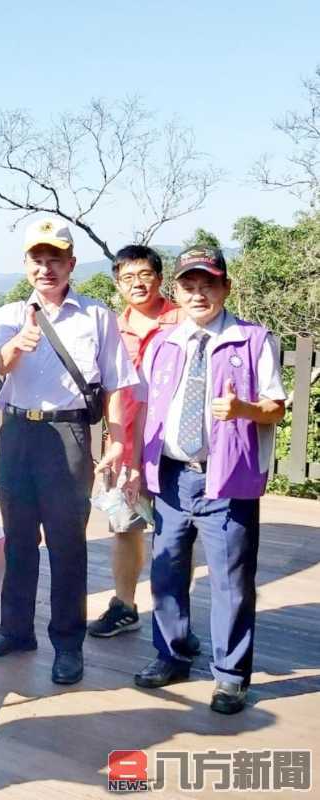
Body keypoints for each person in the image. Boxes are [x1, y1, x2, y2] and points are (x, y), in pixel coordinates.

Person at [0, 218, 137, 685]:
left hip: (69, 437)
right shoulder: (8, 316)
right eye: (37, 260)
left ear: (70, 264)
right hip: (18, 433)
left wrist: (119, 438)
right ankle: (15, 630)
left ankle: (68, 644)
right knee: (18, 540)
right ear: (25, 265)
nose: (46, 268)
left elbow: (117, 383)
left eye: (55, 260)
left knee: (68, 544)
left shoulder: (96, 316)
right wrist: (16, 348)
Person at [132, 245, 285, 715]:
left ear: (225, 288)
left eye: (208, 284)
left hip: (226, 479)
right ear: (176, 290)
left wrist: (243, 410)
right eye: (189, 285)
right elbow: (145, 410)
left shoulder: (253, 340)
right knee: (166, 571)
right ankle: (172, 654)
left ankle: (231, 677)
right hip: (172, 478)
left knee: (231, 581)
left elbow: (276, 408)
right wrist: (137, 467)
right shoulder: (163, 343)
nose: (198, 294)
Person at [88, 245, 190, 640]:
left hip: (174, 446)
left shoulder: (184, 321)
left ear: (160, 279)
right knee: (125, 526)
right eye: (128, 277)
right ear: (117, 283)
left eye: (145, 275)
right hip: (127, 445)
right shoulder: (113, 328)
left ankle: (177, 618)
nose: (137, 284)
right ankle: (125, 605)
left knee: (178, 533)